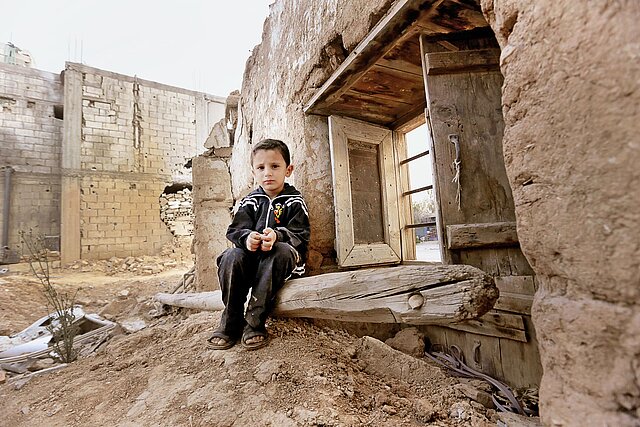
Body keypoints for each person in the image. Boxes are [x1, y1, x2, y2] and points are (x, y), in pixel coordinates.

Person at [207, 138, 310, 350]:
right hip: (251, 265)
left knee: (281, 251)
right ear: (254, 172)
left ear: (288, 170)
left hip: (279, 265)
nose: (267, 173)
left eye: (274, 166)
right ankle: (230, 321)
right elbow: (235, 231)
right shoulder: (250, 201)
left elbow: (301, 234)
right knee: (230, 256)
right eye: (260, 168)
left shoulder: (294, 201)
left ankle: (254, 321)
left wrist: (278, 236)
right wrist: (247, 239)